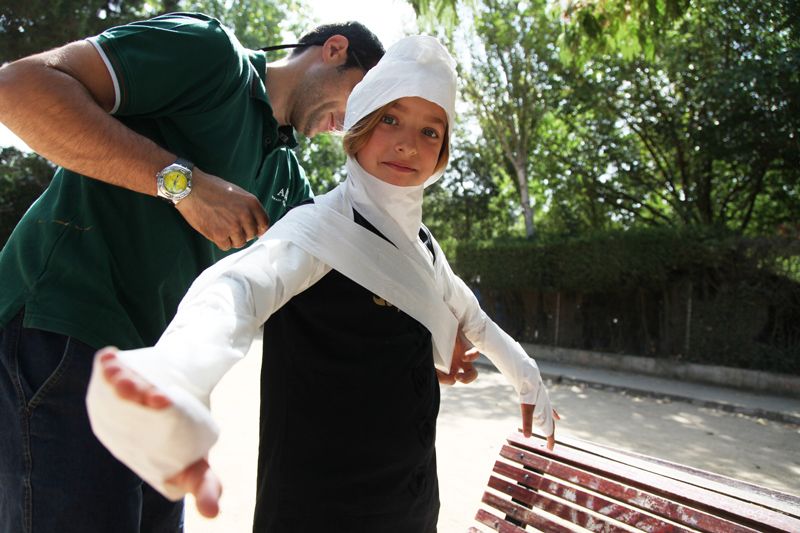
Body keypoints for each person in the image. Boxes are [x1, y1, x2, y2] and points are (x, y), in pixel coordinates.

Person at [86, 35, 558, 532]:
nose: (407, 143)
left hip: (413, 502)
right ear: (359, 126)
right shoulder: (315, 228)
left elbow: (472, 318)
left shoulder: (425, 247)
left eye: (430, 132)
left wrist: (527, 379)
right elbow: (236, 288)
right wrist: (177, 375)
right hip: (320, 508)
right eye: (390, 119)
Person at [0, 11, 386, 533]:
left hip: (158, 382)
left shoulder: (289, 183)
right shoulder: (209, 54)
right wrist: (183, 184)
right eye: (362, 98)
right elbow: (19, 88)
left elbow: (339, 283)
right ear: (335, 50)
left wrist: (433, 333)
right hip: (63, 330)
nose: (354, 122)